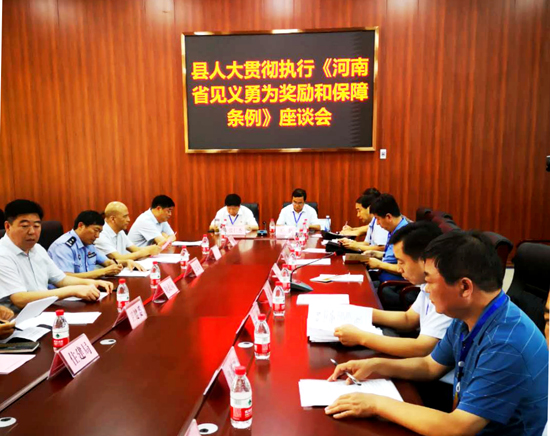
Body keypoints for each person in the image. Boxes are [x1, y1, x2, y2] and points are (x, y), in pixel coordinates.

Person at [326, 231, 548, 436]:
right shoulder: (469, 315)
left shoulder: (506, 344)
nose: (426, 288)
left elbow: (457, 427)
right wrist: (376, 365)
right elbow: (430, 366)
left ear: (464, 287)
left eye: (430, 280)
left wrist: (376, 404)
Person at [334, 222, 452, 357]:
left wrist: (361, 337)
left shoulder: (446, 291)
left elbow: (423, 349)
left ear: (424, 260)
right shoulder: (426, 284)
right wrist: (357, 312)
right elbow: (408, 319)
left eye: (401, 262)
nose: (399, 268)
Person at [0, 200, 113, 311]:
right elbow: (20, 299)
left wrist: (92, 283)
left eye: (36, 226)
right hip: (17, 318)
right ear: (8, 226)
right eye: (25, 226)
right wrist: (72, 291)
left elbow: (61, 279)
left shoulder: (38, 249)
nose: (32, 232)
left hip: (44, 311)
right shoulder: (3, 254)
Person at [48, 210, 141, 278]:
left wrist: (125, 262)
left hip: (86, 289)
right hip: (65, 295)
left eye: (99, 232)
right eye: (96, 230)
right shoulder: (63, 246)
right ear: (81, 226)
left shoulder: (89, 244)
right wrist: (103, 272)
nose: (97, 236)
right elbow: (66, 277)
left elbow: (107, 262)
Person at [364, 194, 408, 282]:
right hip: (382, 278)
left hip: (392, 285)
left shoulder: (405, 234)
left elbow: (405, 269)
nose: (377, 223)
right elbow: (392, 258)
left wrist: (379, 264)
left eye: (378, 219)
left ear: (388, 217)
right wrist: (376, 254)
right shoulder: (394, 230)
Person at [95, 201, 161, 261]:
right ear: (112, 219)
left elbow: (136, 249)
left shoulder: (120, 231)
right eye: (125, 216)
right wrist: (147, 251)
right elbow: (118, 258)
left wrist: (151, 249)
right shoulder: (100, 234)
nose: (128, 220)